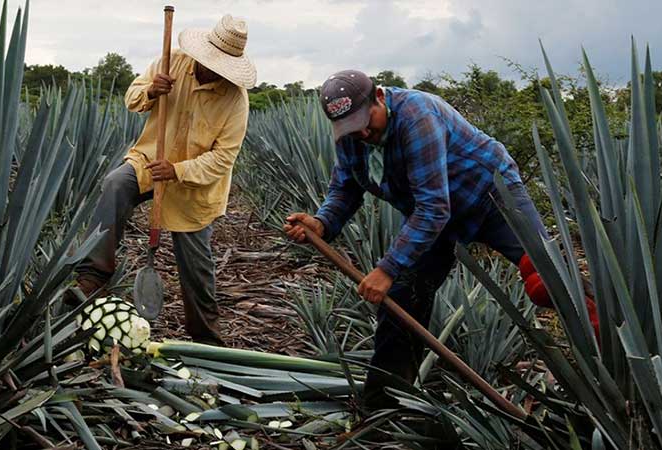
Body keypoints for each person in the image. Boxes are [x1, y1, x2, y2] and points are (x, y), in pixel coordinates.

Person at [284, 70, 599, 409]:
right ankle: (386, 407)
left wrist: (387, 268)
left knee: (547, 278)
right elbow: (346, 187)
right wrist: (322, 222)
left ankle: (613, 357)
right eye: (349, 127)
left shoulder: (417, 116)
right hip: (434, 214)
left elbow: (434, 208)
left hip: (489, 194)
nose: (361, 133)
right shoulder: (352, 136)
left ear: (379, 97)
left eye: (364, 121)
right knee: (402, 298)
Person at [72, 14, 256, 347]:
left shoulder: (235, 101)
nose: (211, 69)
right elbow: (133, 98)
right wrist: (152, 90)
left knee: (196, 267)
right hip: (149, 161)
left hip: (193, 186)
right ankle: (93, 276)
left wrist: (177, 170)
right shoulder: (171, 63)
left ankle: (206, 340)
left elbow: (222, 160)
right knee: (116, 184)